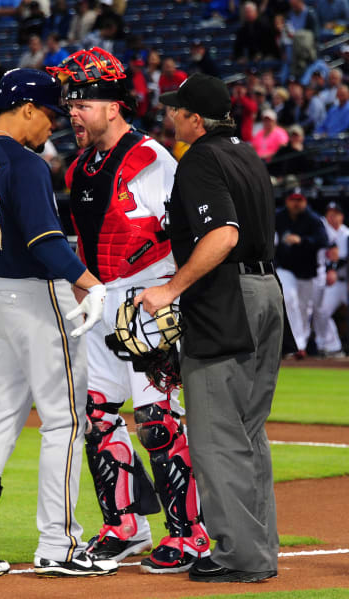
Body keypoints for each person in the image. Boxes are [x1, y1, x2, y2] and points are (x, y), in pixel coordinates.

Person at [0, 67, 118, 579]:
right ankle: (59, 544)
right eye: (49, 115)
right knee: (64, 419)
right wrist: (90, 283)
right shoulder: (26, 162)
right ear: (26, 110)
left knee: (1, 416)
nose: (53, 127)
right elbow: (44, 240)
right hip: (32, 295)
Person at [48, 47, 211, 574]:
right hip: (103, 299)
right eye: (70, 103)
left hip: (149, 298)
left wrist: (172, 295)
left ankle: (190, 535)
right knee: (97, 415)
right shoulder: (79, 167)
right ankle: (124, 525)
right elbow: (86, 238)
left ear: (114, 105)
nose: (72, 112)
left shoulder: (151, 158)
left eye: (82, 102)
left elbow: (182, 232)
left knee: (157, 421)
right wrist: (84, 283)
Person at [135, 72, 290, 583]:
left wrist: (168, 290)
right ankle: (259, 551)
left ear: (195, 119)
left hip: (227, 300)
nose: (170, 113)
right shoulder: (246, 154)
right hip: (266, 293)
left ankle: (239, 557)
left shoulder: (199, 158)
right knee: (248, 431)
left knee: (216, 436)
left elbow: (222, 235)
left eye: (177, 108)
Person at [275, 190, 328, 357]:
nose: (296, 203)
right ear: (287, 201)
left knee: (304, 309)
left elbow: (323, 241)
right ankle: (295, 345)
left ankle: (301, 343)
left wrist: (302, 240)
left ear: (305, 202)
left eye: (299, 200)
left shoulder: (313, 219)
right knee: (290, 299)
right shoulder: (278, 217)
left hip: (306, 272)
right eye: (293, 200)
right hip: (285, 267)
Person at [313, 202, 349, 357]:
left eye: (336, 214)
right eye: (330, 214)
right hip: (330, 283)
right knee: (321, 311)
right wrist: (331, 269)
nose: (333, 217)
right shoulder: (321, 229)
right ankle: (330, 346)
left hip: (344, 280)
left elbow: (344, 258)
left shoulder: (346, 233)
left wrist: (333, 268)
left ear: (342, 216)